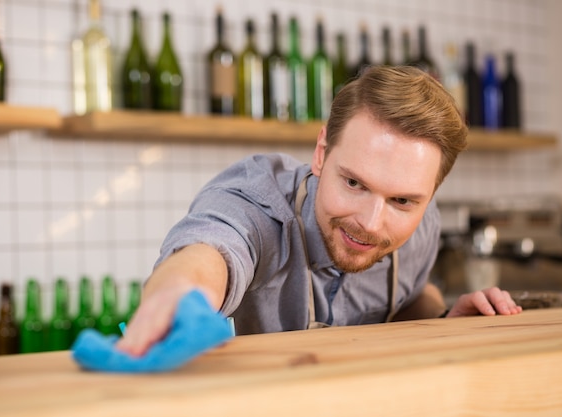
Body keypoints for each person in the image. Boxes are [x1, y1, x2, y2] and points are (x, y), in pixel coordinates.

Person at [117, 65, 521, 357]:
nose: (370, 223)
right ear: (321, 153)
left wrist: (446, 319)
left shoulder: (423, 224)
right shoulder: (257, 201)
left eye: (402, 201)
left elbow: (409, 296)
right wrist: (180, 295)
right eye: (354, 183)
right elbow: (211, 249)